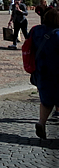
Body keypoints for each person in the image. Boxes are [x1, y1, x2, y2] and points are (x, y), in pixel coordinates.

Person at [28, 8, 59, 139]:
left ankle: (41, 123)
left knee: (46, 100)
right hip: (57, 70)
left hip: (41, 70)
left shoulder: (35, 30)